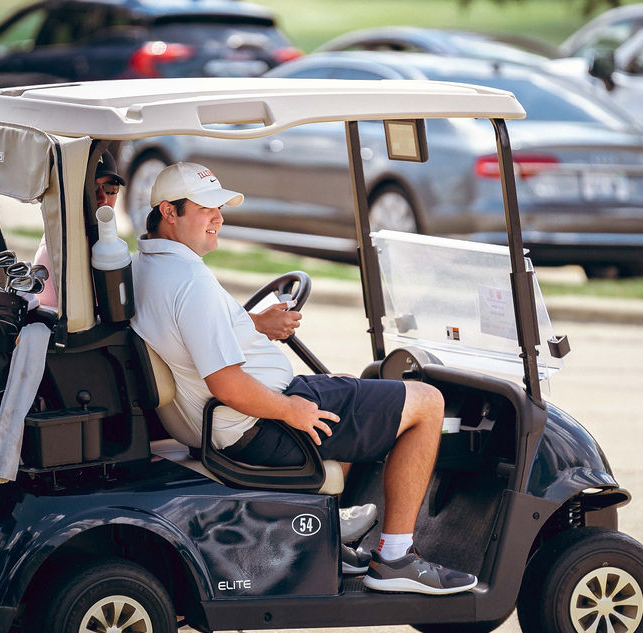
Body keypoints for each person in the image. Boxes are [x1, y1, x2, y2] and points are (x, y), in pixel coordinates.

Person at [131, 162, 476, 596]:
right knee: (426, 402)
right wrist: (290, 411)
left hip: (226, 421)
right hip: (255, 425)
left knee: (345, 384)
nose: (218, 218)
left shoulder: (147, 264)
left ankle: (327, 536)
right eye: (205, 209)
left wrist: (253, 324)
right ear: (169, 211)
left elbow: (193, 331)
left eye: (220, 208)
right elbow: (228, 386)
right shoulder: (190, 281)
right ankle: (395, 559)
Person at [33, 152, 127, 308]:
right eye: (92, 187)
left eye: (110, 188)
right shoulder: (58, 248)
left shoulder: (105, 243)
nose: (103, 198)